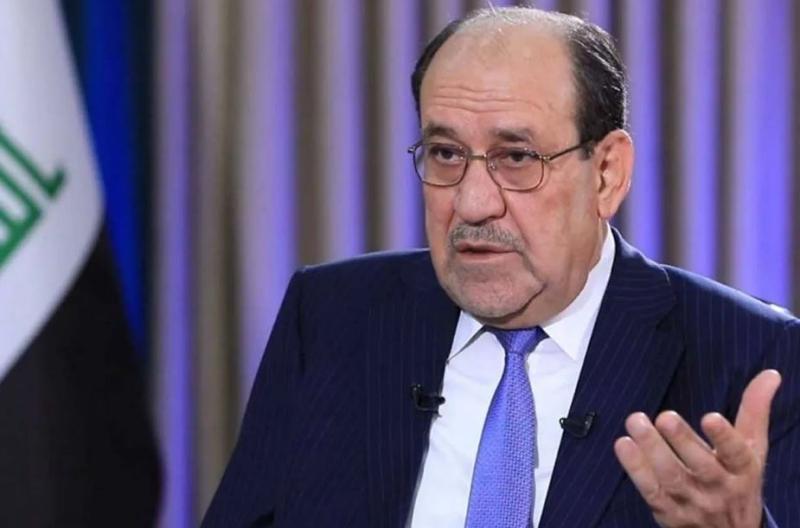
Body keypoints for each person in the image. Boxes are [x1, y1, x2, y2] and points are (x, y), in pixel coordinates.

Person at [202, 7, 800, 527]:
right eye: (446, 154)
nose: (472, 202)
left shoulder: (751, 358)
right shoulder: (332, 315)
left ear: (607, 173)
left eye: (516, 157)